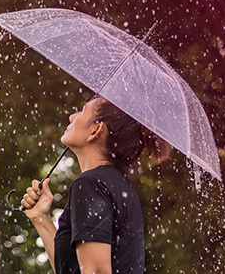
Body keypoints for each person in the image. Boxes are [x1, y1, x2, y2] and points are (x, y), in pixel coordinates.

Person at [21, 95, 170, 274]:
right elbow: (71, 269)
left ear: (95, 130)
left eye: (83, 111)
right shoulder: (117, 185)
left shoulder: (91, 185)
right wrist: (40, 218)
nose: (72, 117)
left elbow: (97, 272)